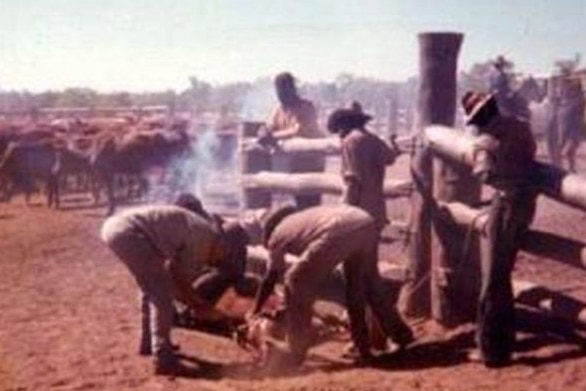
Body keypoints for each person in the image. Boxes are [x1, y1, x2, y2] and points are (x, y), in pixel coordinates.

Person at [100, 195, 249, 375]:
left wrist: (197, 304)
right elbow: (176, 284)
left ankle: (148, 343)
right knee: (161, 294)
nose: (216, 262)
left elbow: (174, 275)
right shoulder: (202, 241)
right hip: (129, 233)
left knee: (150, 288)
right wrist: (201, 307)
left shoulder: (203, 234)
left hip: (118, 228)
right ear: (222, 245)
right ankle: (162, 358)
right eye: (221, 256)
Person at [250, 204, 414, 367]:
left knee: (294, 280)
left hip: (339, 230)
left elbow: (270, 278)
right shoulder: (302, 220)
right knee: (360, 286)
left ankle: (295, 350)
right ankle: (395, 336)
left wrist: (255, 310)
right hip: (364, 222)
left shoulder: (277, 235)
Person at [462, 91, 538, 368]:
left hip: (505, 204)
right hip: (526, 204)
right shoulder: (521, 126)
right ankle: (505, 337)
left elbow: (485, 175)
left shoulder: (484, 143)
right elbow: (530, 154)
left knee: (493, 277)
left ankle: (493, 349)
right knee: (501, 274)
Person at [327, 104, 400, 232]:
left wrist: (345, 210)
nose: (339, 132)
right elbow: (390, 158)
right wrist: (393, 144)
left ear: (348, 122)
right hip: (377, 208)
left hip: (358, 209)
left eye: (340, 125)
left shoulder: (350, 141)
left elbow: (353, 181)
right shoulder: (374, 140)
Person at [260, 71, 326, 208]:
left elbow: (298, 130)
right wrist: (263, 131)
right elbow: (270, 126)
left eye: (284, 89)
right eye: (279, 90)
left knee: (311, 202)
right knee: (299, 198)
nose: (281, 93)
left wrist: (272, 136)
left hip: (311, 163)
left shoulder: (306, 107)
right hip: (295, 163)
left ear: (292, 88)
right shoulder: (279, 109)